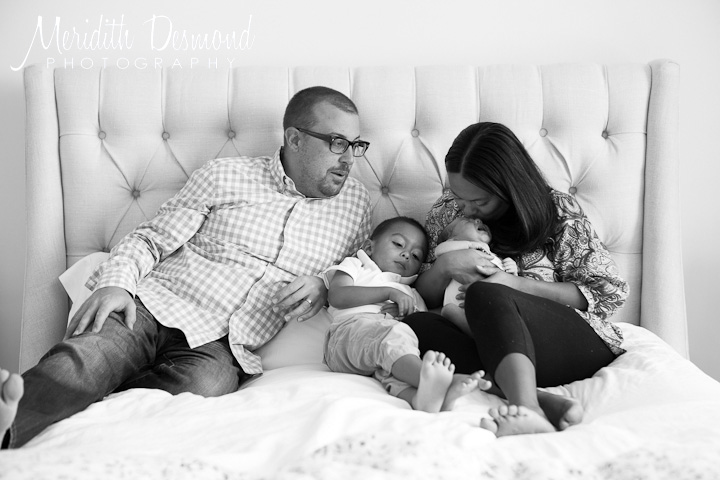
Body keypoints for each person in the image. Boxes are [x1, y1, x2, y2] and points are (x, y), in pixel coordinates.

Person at [1, 86, 374, 449]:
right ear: (294, 139)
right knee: (88, 359)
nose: (348, 159)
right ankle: (9, 425)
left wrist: (324, 284)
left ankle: (83, 439)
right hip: (153, 306)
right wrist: (116, 284)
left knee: (201, 391)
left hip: (224, 346)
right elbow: (152, 238)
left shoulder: (355, 205)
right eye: (337, 143)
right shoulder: (226, 175)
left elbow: (360, 271)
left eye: (355, 145)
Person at [404, 122, 629, 437]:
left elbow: (608, 293)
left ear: (508, 187)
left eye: (479, 202)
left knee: (485, 294)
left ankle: (527, 410)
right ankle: (538, 399)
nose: (466, 209)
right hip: (491, 343)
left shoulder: (557, 210)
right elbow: (420, 297)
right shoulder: (448, 211)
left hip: (568, 344)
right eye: (458, 196)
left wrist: (513, 285)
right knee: (415, 325)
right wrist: (445, 265)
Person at [323, 216, 490, 413]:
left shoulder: (411, 292)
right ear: (369, 247)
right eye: (398, 244)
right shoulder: (356, 266)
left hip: (379, 351)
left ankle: (423, 399)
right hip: (346, 336)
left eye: (416, 256)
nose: (406, 255)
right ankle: (437, 381)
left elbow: (421, 322)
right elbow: (337, 296)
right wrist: (388, 293)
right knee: (394, 336)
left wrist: (405, 312)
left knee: (398, 356)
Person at [435, 217, 517, 336]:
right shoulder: (455, 249)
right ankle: (479, 333)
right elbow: (438, 250)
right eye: (467, 221)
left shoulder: (493, 256)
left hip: (492, 308)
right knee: (449, 310)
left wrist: (512, 269)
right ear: (453, 239)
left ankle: (486, 334)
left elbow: (510, 282)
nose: (478, 220)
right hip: (461, 309)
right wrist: (469, 244)